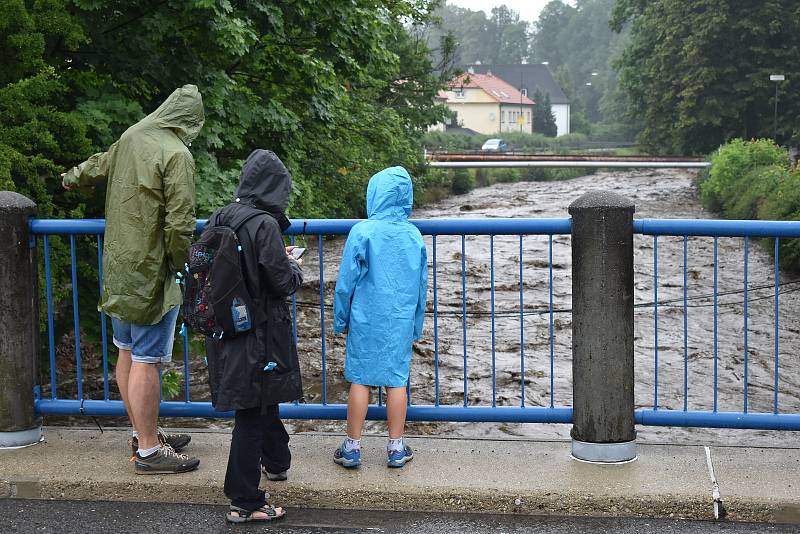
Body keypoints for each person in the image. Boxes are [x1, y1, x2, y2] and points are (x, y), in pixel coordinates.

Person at [62, 84, 204, 474]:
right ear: (191, 121)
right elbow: (180, 222)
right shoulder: (177, 155)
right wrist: (182, 265)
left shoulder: (132, 136)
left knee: (126, 351)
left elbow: (97, 166)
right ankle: (148, 450)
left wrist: (69, 178)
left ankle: (145, 433)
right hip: (151, 271)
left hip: (118, 265)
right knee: (147, 359)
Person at [204, 149, 303, 523]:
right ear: (276, 188)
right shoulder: (264, 225)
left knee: (261, 399)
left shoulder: (219, 216)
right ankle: (244, 501)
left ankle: (277, 462)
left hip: (226, 329)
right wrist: (293, 266)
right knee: (251, 411)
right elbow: (280, 282)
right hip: (260, 331)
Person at [332, 166, 428, 469]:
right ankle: (396, 448)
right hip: (399, 319)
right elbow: (421, 286)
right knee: (397, 381)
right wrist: (416, 324)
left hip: (365, 318)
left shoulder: (362, 231)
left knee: (360, 380)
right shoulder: (414, 235)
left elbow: (346, 283)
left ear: (375, 195)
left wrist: (340, 319)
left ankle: (352, 448)